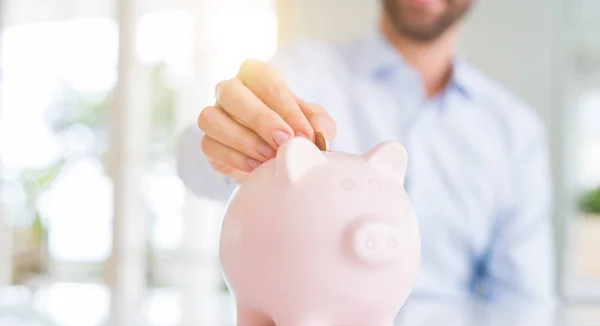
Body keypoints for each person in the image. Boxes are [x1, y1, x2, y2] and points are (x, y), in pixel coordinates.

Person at [177, 0, 555, 302]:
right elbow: (191, 155)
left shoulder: (514, 129)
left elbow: (526, 298)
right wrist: (229, 146)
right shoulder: (303, 70)